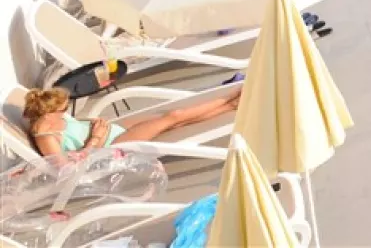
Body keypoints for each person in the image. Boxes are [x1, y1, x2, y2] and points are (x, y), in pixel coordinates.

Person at [25, 86, 241, 155]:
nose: (66, 111)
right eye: (63, 110)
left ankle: (230, 105)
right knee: (173, 117)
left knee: (174, 120)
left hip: (108, 131)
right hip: (108, 146)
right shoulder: (47, 138)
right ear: (48, 114)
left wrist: (93, 123)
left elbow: (74, 127)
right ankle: (229, 99)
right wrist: (95, 139)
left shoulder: (52, 117)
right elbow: (66, 170)